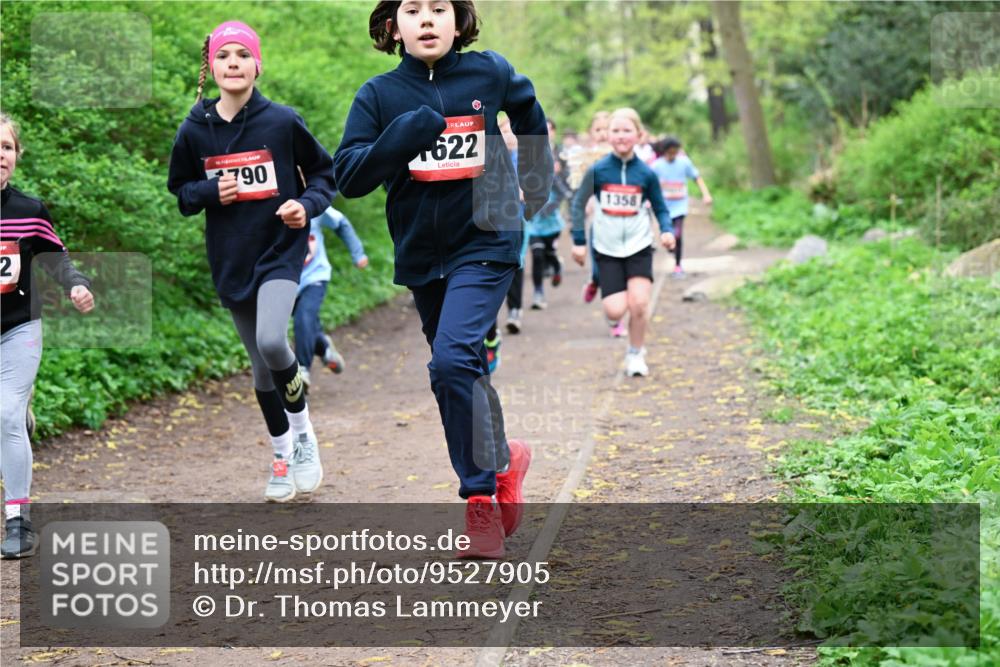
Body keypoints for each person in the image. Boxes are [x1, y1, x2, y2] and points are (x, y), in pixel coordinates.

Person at [334, 0, 552, 558]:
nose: (426, 19)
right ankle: (505, 461)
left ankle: (479, 503)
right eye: (413, 10)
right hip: (422, 252)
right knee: (464, 367)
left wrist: (534, 182)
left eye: (439, 8)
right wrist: (404, 134)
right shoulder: (379, 96)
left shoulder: (491, 72)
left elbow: (529, 114)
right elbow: (351, 177)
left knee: (453, 359)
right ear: (392, 25)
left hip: (488, 234)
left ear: (460, 22)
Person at [167, 20, 336, 502]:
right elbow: (180, 191)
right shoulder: (194, 129)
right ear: (212, 66)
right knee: (261, 371)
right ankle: (280, 454)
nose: (234, 62)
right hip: (231, 259)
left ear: (257, 64)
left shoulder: (282, 121)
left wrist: (304, 205)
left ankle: (304, 435)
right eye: (224, 55)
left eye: (243, 54)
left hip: (280, 251)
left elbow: (325, 175)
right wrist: (209, 191)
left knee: (271, 341)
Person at [1, 114, 95, 557]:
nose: (0, 155)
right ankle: (21, 418)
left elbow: (57, 258)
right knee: (9, 417)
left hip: (18, 327)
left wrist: (76, 284)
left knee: (4, 414)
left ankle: (18, 520)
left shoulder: (29, 210)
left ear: (17, 156)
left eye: (6, 147)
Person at [570, 108, 675, 378]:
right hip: (606, 247)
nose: (621, 136)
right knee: (615, 310)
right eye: (615, 131)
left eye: (627, 130)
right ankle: (599, 284)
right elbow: (578, 204)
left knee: (640, 304)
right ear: (608, 136)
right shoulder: (599, 170)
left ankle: (636, 353)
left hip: (639, 246)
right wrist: (579, 241)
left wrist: (666, 230)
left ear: (639, 135)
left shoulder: (647, 174)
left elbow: (661, 208)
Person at [295, 204, 368, 391]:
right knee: (307, 325)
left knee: (304, 317)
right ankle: (323, 346)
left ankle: (302, 369)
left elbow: (341, 223)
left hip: (315, 276)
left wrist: (358, 253)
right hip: (284, 282)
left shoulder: (312, 205)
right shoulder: (269, 211)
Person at [651, 136, 712, 278]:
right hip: (664, 207)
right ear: (664, 151)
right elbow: (650, 184)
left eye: (675, 152)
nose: (672, 155)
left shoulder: (684, 163)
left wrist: (706, 194)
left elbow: (697, 178)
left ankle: (678, 266)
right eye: (670, 152)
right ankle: (671, 247)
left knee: (678, 234)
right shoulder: (657, 166)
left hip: (680, 205)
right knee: (668, 233)